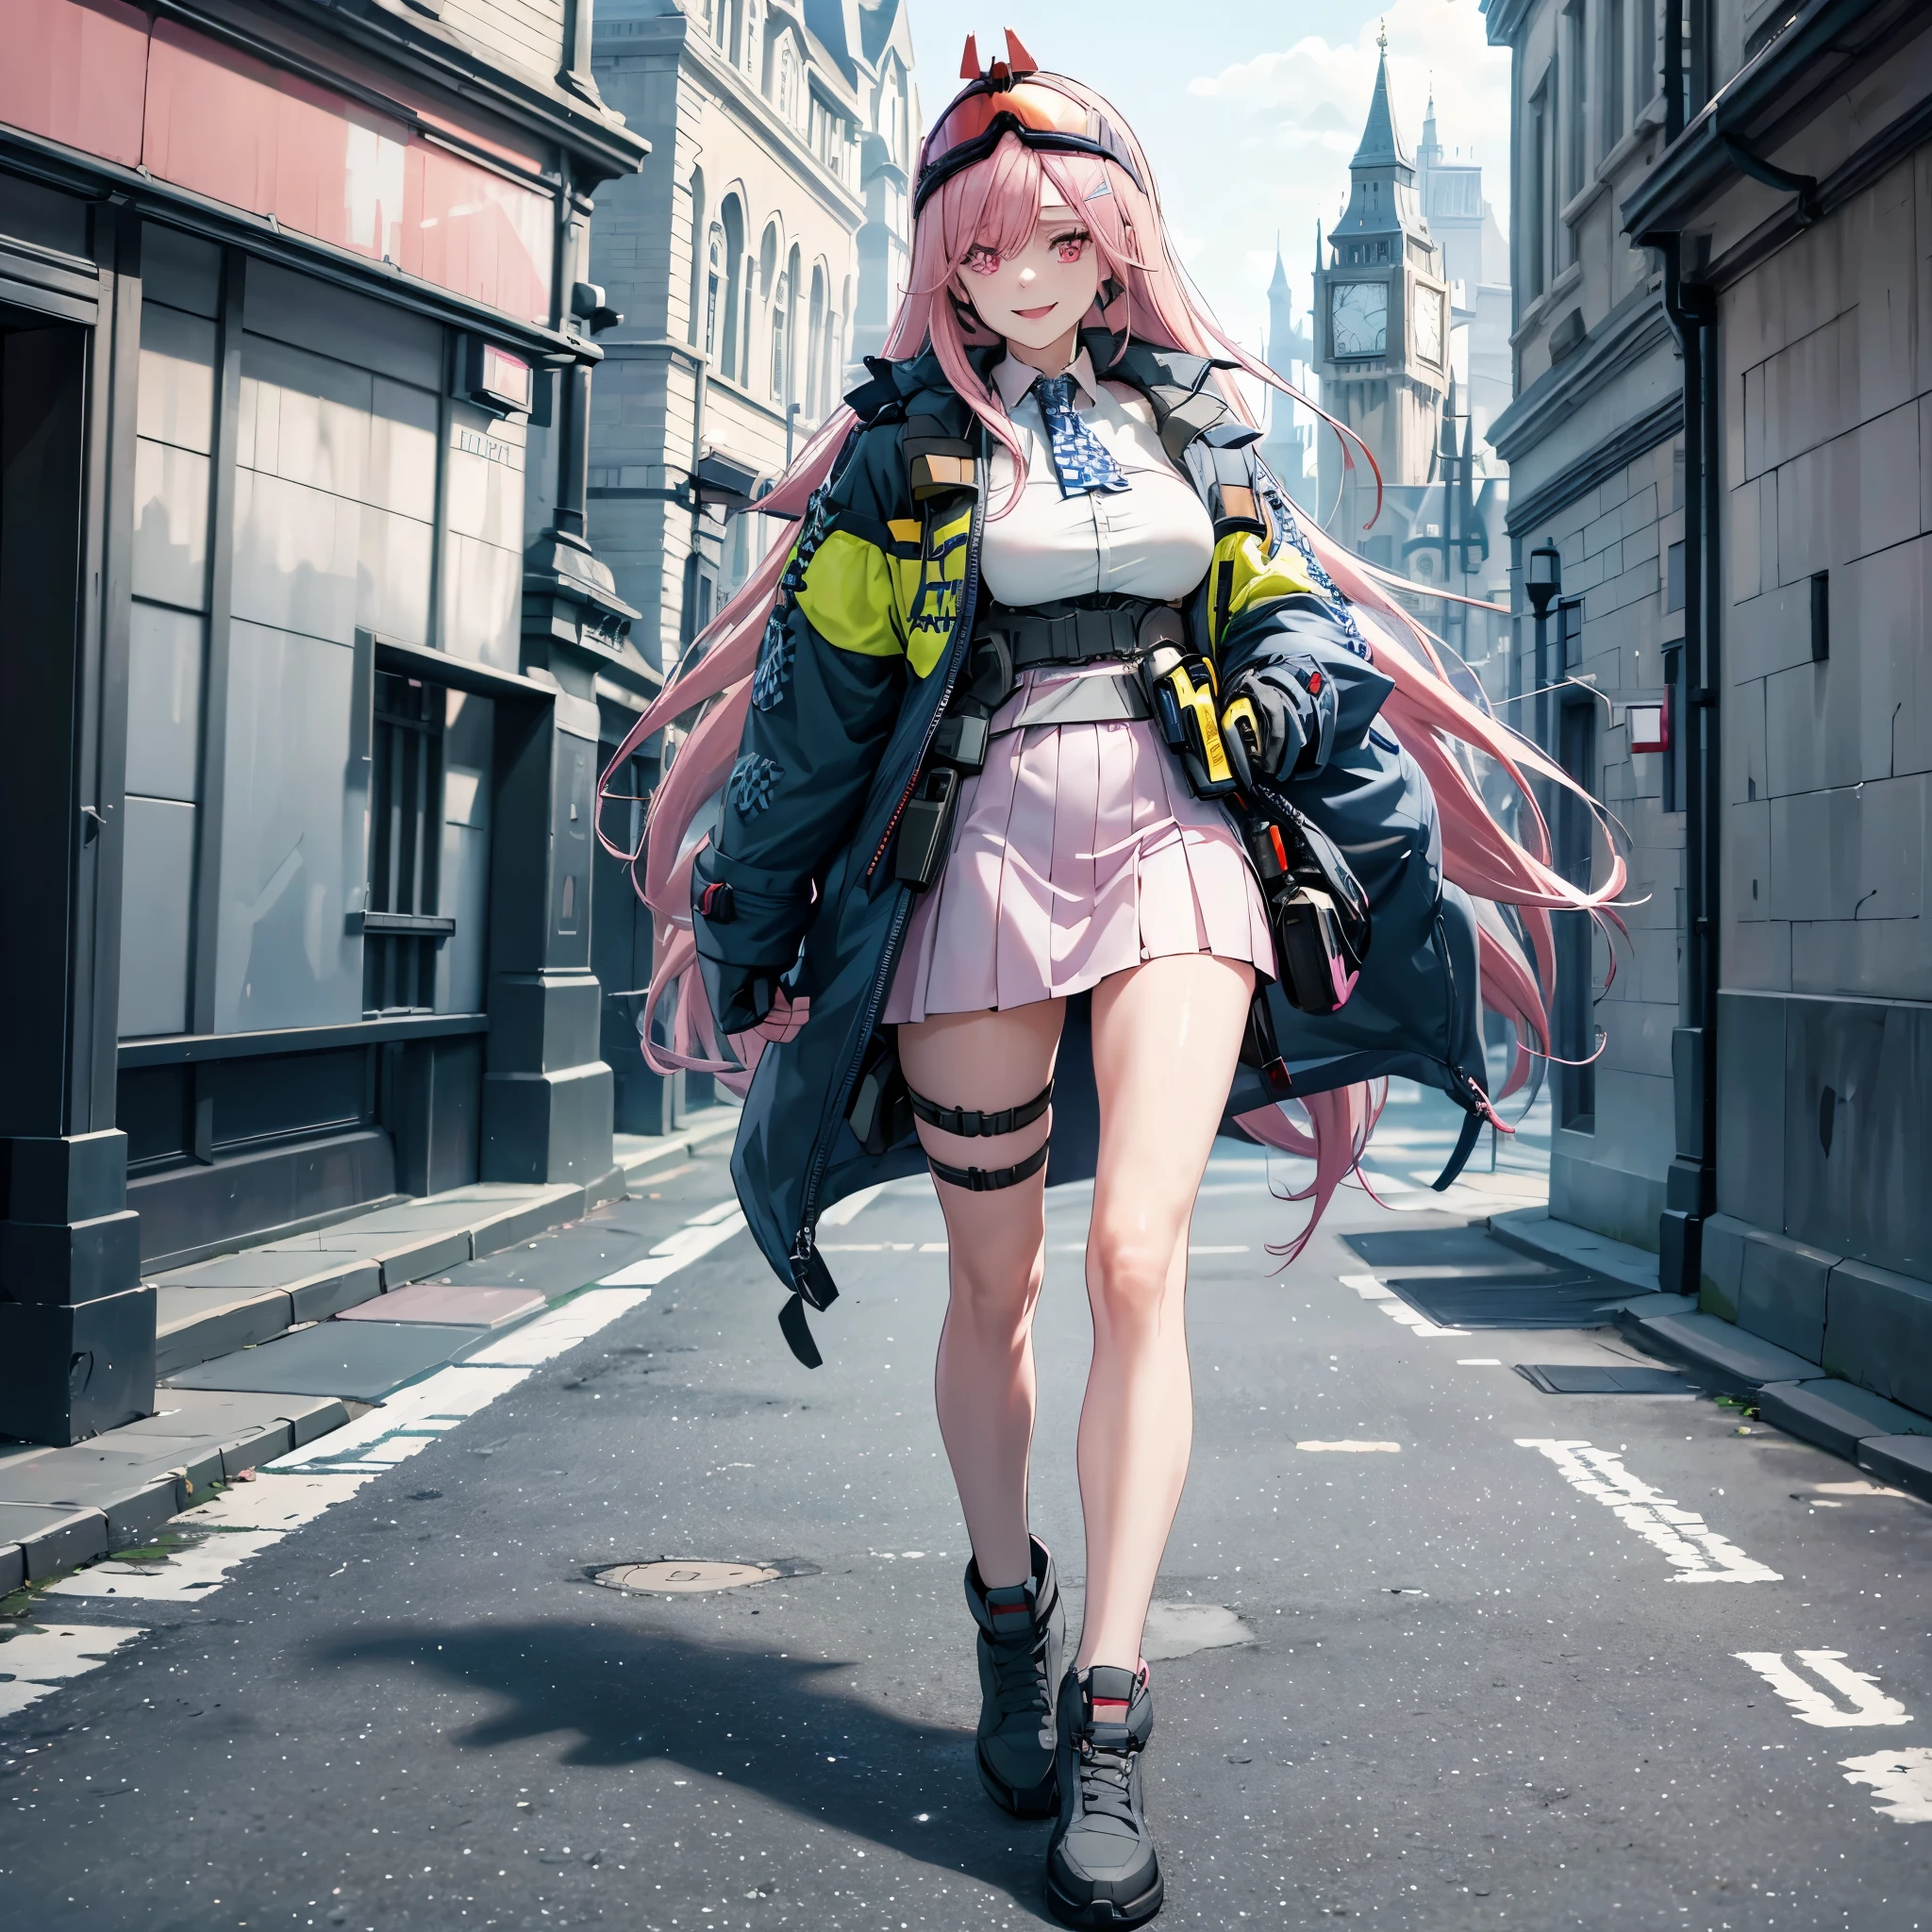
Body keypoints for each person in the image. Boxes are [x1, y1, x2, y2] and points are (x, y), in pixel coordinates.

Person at [600, 37, 1616, 1928]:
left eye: (1060, 238)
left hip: (1177, 842)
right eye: (986, 251)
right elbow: (818, 720)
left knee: (1140, 1258)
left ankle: (1113, 1701)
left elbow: (1289, 601)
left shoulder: (1205, 425)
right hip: (971, 853)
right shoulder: (900, 462)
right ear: (949, 269)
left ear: (1116, 241)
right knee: (993, 1280)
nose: (1025, 275)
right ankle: (1009, 1605)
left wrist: (1284, 682)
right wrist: (747, 929)